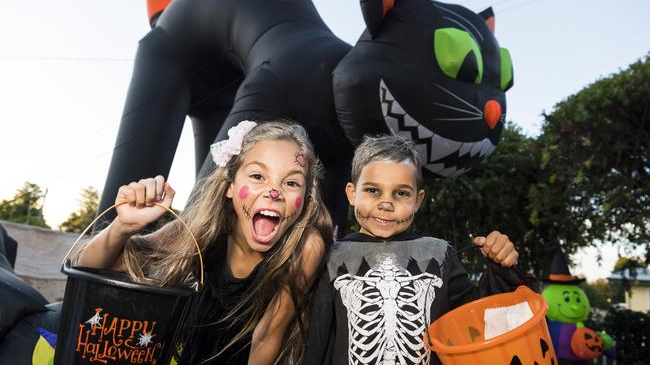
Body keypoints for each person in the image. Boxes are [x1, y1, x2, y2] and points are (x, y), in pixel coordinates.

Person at [78, 121, 332, 364]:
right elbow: (87, 270)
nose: (273, 192)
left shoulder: (307, 246)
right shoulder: (201, 228)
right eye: (257, 176)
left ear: (306, 198)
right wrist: (123, 226)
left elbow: (267, 337)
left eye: (291, 182)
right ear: (230, 186)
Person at [305, 134, 532, 365]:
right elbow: (316, 339)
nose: (386, 204)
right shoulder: (333, 257)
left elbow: (477, 319)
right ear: (352, 194)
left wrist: (501, 266)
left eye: (401, 193)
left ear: (418, 200)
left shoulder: (439, 254)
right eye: (373, 190)